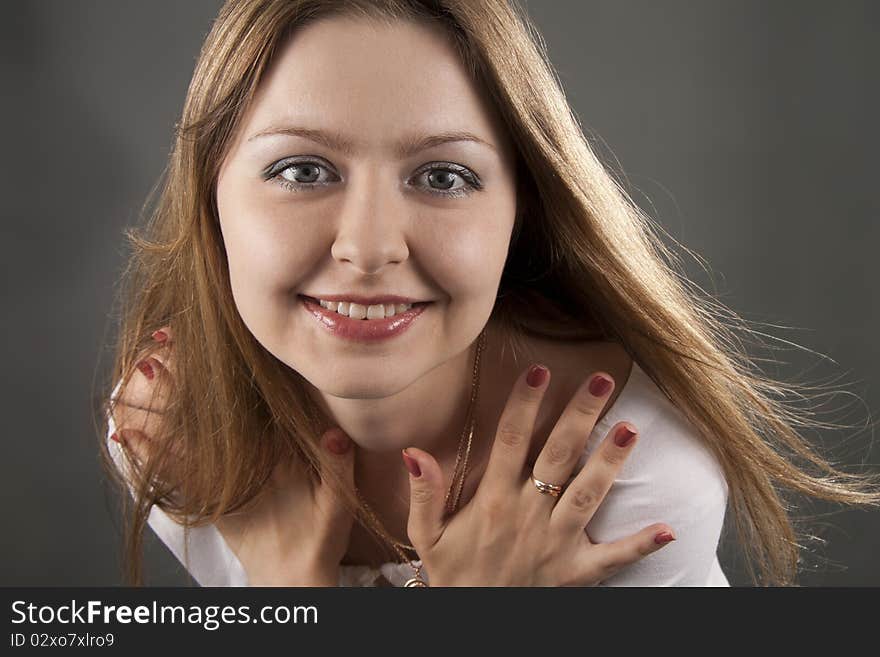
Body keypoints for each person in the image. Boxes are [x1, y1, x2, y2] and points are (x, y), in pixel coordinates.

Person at [100, 0, 880, 587]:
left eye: (443, 176)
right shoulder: (174, 439)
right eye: (302, 170)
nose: (370, 248)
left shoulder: (623, 484)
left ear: (520, 211)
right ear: (210, 197)